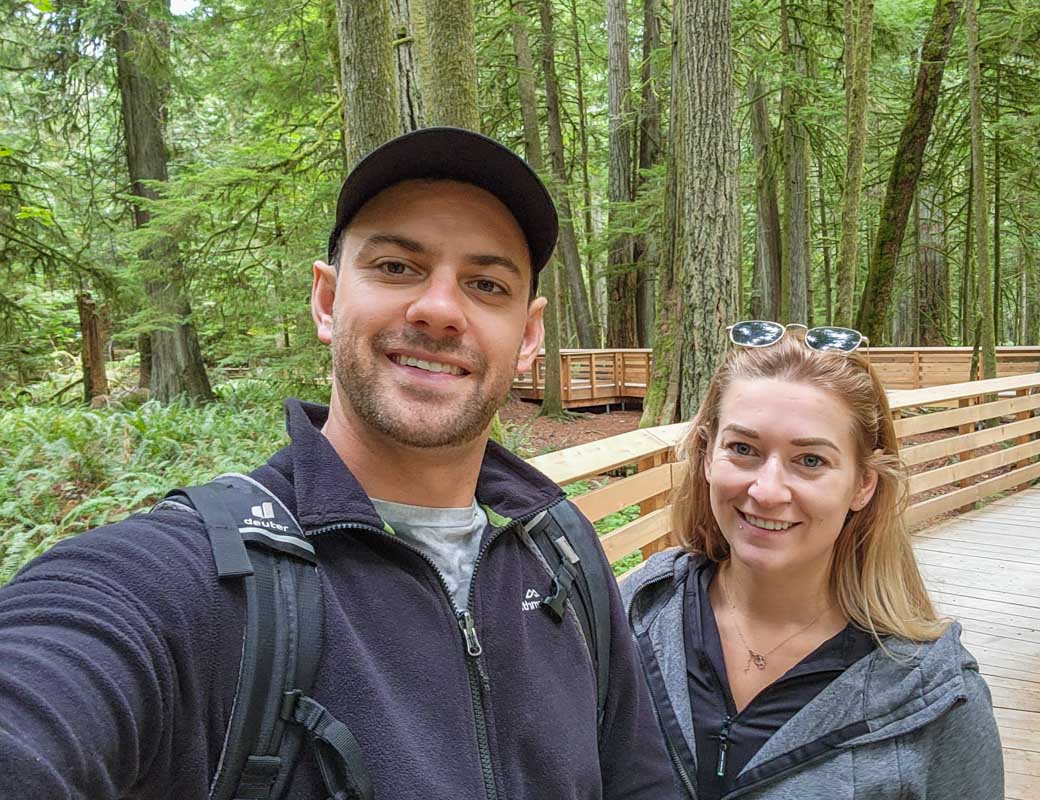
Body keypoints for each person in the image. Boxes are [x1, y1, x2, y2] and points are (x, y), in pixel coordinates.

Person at [0, 127, 675, 800]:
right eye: (396, 267)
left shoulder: (560, 548)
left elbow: (639, 780)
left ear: (528, 336)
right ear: (326, 301)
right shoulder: (198, 581)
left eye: (486, 283)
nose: (439, 308)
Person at [621, 323, 1004, 799]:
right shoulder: (632, 616)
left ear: (863, 484)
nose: (766, 490)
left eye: (810, 461)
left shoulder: (939, 698)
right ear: (706, 456)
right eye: (743, 450)